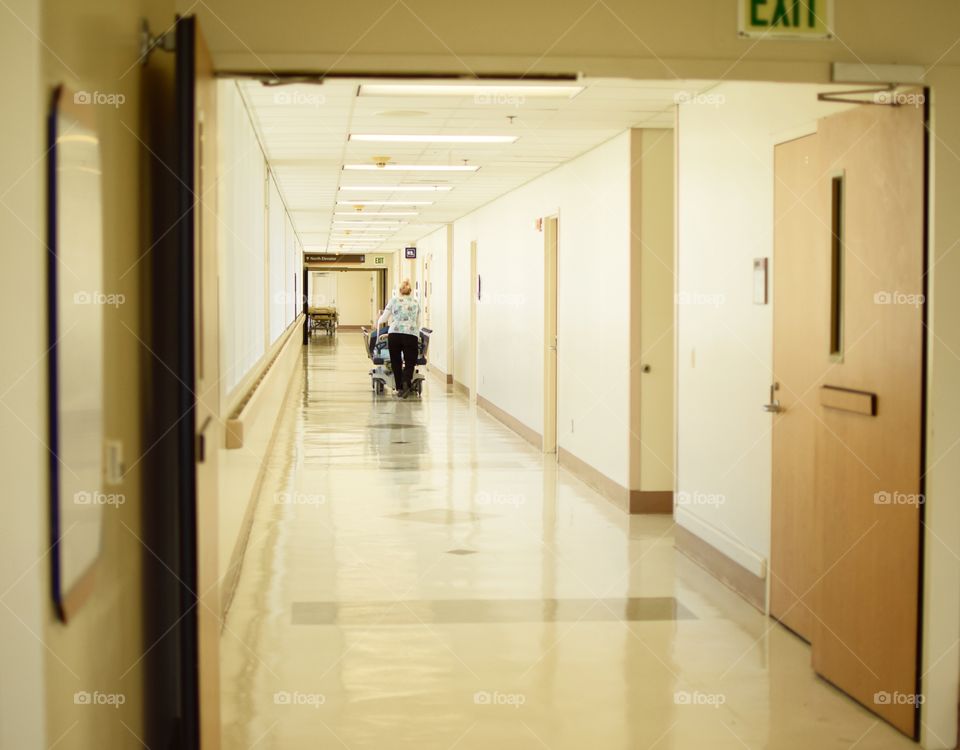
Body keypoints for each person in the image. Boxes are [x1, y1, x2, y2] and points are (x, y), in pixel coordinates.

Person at [375, 280, 421, 398]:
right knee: (410, 360)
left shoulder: (394, 300)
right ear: (410, 291)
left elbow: (384, 319)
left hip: (394, 334)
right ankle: (406, 382)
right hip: (411, 334)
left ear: (400, 291)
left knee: (396, 361)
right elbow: (418, 322)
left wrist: (378, 321)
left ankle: (400, 388)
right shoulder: (415, 302)